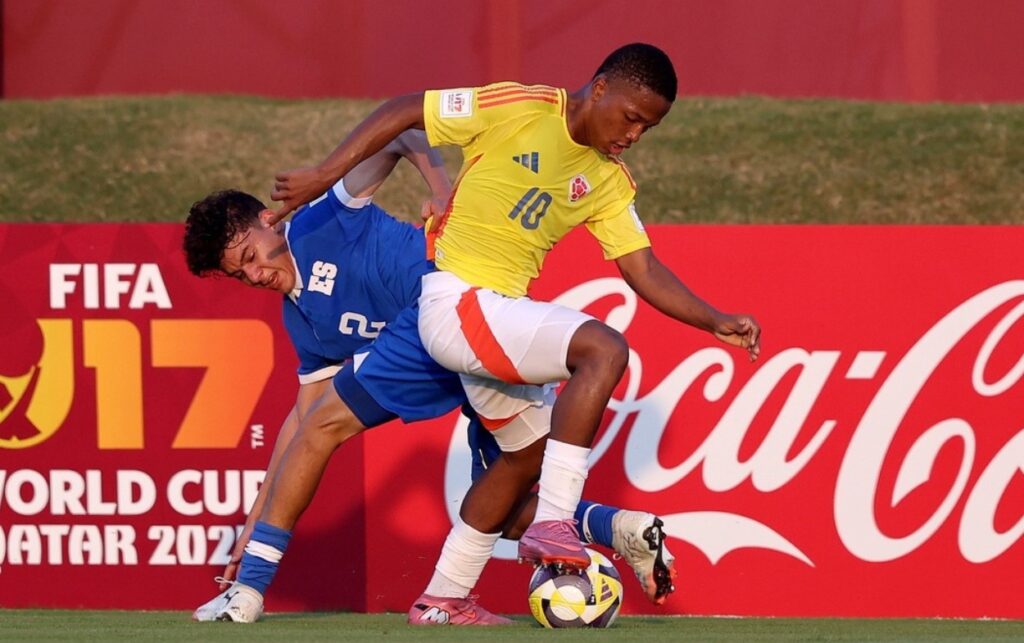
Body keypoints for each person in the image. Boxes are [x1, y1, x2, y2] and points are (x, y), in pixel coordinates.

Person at [267, 42, 760, 588]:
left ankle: (444, 598)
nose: (635, 134)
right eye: (632, 117)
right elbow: (408, 109)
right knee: (604, 349)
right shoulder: (522, 107)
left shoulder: (608, 180)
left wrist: (711, 318)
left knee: (521, 463)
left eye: (649, 127)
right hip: (457, 302)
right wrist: (325, 173)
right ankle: (554, 523)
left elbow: (642, 268)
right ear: (600, 88)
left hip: (495, 318)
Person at [184, 130, 676, 625]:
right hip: (445, 350)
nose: (256, 275)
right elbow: (301, 422)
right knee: (494, 507)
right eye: (241, 275)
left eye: (251, 257)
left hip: (459, 314)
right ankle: (624, 530)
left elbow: (401, 133)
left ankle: (256, 593)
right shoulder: (302, 319)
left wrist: (443, 191)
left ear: (270, 221)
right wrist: (255, 519)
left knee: (338, 433)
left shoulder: (322, 219)